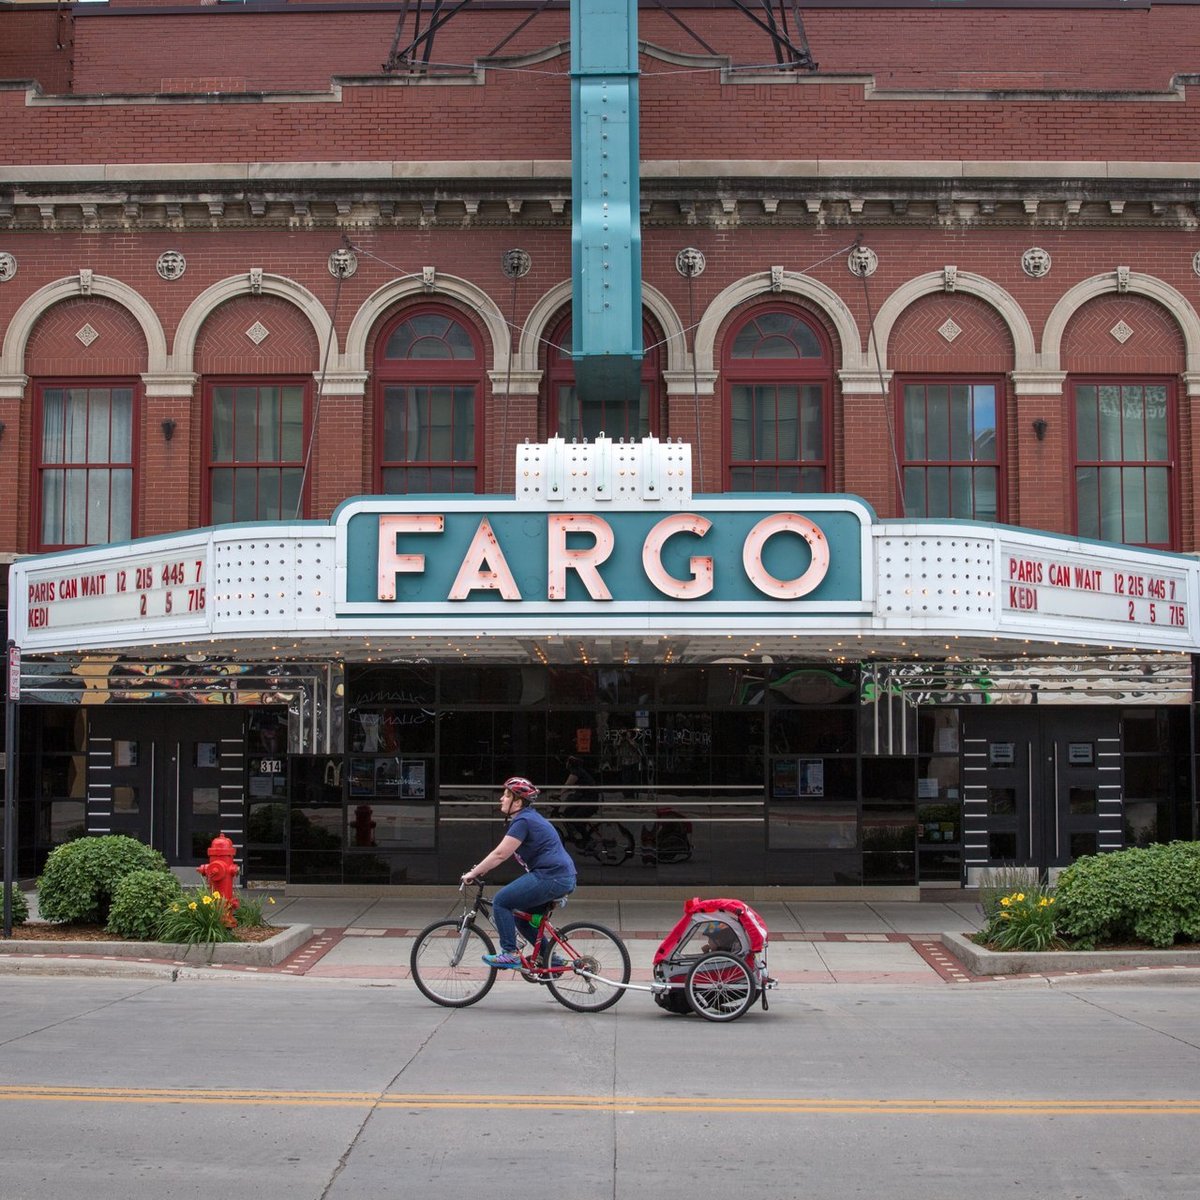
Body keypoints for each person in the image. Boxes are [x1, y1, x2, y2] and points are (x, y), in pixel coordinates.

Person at [461, 776, 577, 968]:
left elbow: (500, 854)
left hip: (552, 877)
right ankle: (551, 960)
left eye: (506, 795)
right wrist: (479, 869)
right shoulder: (528, 818)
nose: (501, 799)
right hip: (559, 877)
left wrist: (473, 873)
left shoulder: (523, 821)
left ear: (518, 801)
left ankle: (510, 953)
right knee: (521, 919)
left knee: (501, 901)